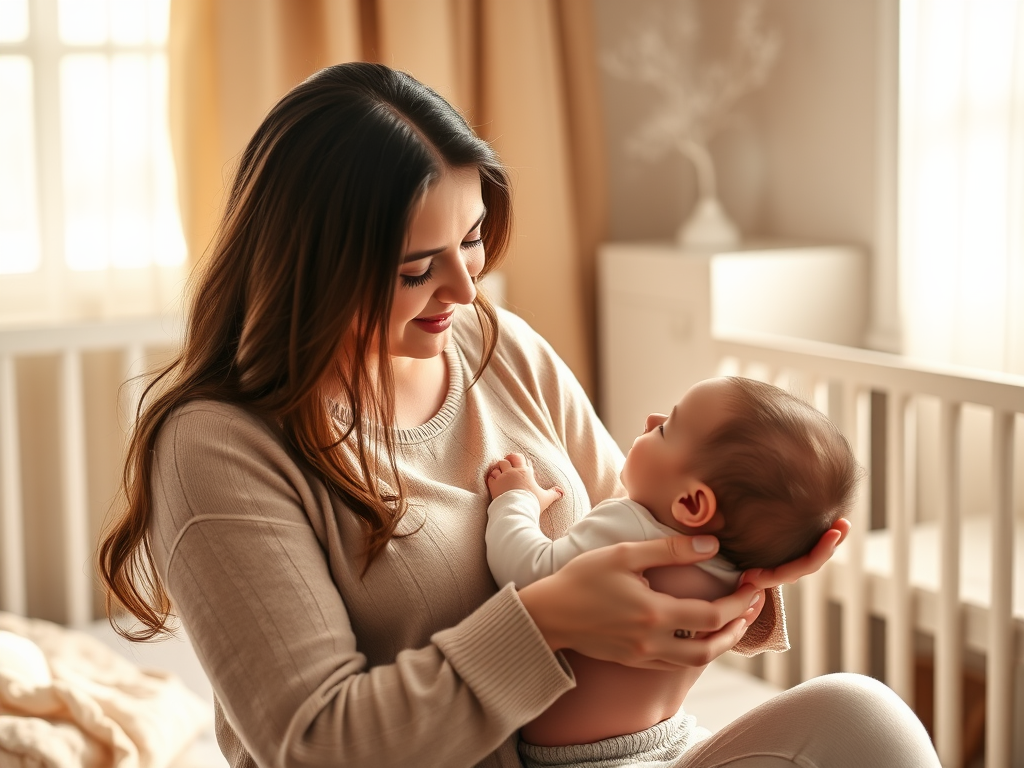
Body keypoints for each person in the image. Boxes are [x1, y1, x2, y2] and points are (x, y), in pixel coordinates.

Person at [97, 62, 941, 767]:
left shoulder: (497, 345)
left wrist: (745, 576)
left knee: (861, 720)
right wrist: (544, 620)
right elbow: (317, 743)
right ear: (311, 268)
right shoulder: (219, 445)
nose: (465, 291)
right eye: (416, 268)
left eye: (470, 240)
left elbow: (644, 525)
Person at [483, 376, 860, 761]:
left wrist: (516, 500)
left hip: (587, 759)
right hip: (677, 737)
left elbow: (527, 570)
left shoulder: (626, 526)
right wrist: (769, 568)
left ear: (693, 504)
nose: (651, 419)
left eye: (666, 430)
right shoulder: (738, 575)